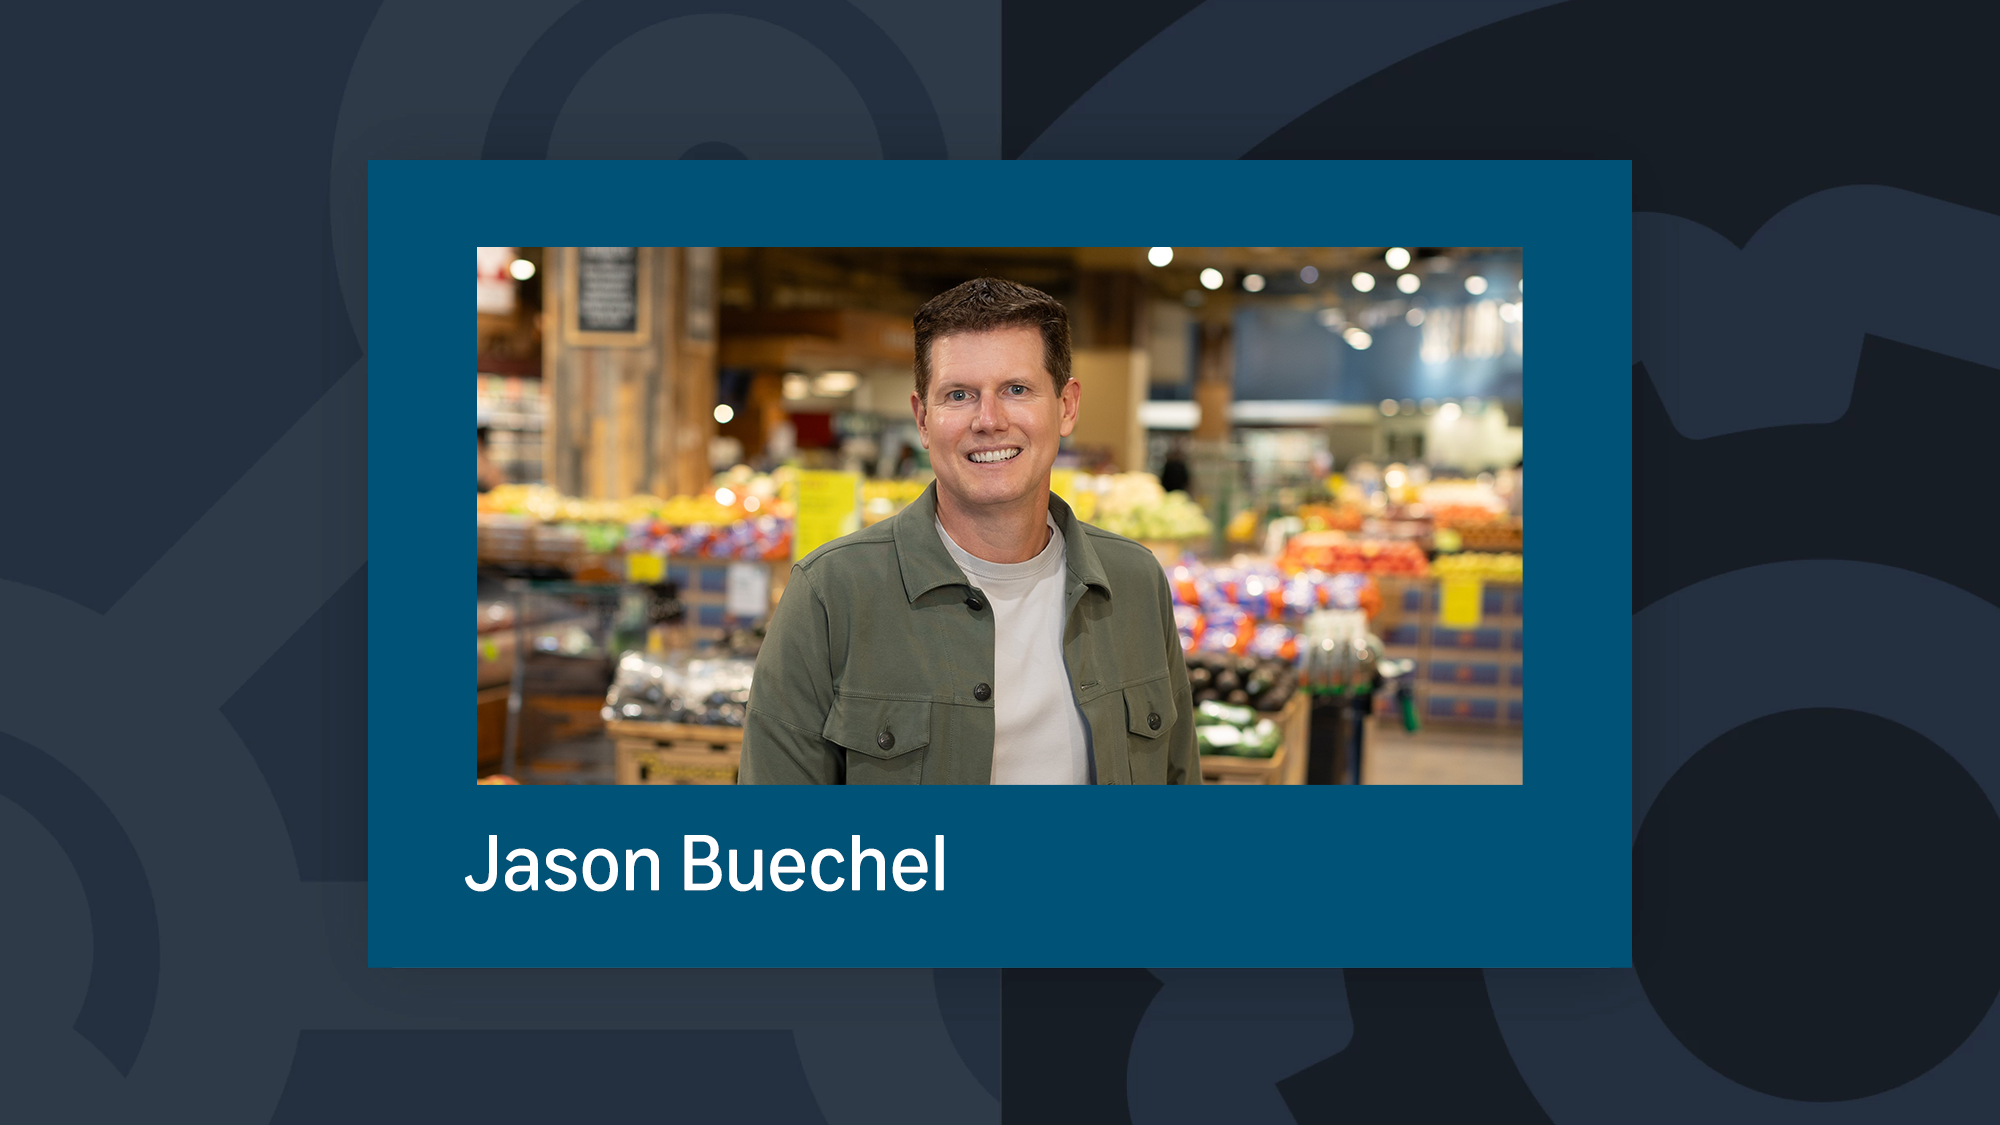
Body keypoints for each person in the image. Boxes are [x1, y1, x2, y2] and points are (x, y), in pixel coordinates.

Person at [740, 278, 1199, 784]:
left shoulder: (1135, 584)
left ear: (1066, 406)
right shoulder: (830, 595)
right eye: (959, 395)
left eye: (1016, 390)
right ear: (922, 418)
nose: (989, 420)